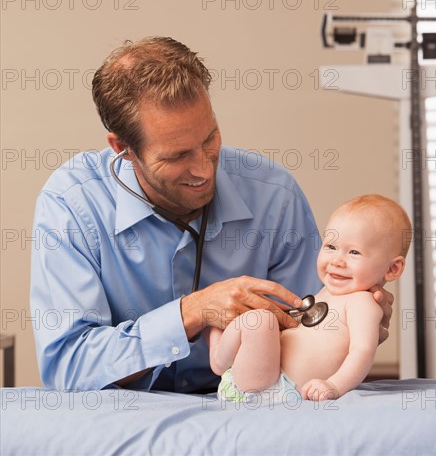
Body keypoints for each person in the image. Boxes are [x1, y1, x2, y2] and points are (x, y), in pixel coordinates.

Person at [30, 37, 393, 392]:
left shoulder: (275, 194)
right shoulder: (72, 204)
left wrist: (351, 317)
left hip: (250, 408)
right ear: (122, 148)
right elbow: (68, 365)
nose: (204, 170)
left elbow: (305, 335)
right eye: (177, 156)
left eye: (210, 138)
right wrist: (191, 313)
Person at [209, 194, 411, 402]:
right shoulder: (326, 292)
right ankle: (220, 358)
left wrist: (334, 385)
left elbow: (362, 352)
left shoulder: (364, 303)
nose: (337, 261)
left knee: (261, 320)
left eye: (354, 252)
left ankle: (219, 356)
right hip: (262, 375)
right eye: (331, 247)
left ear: (393, 268)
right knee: (263, 318)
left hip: (276, 389)